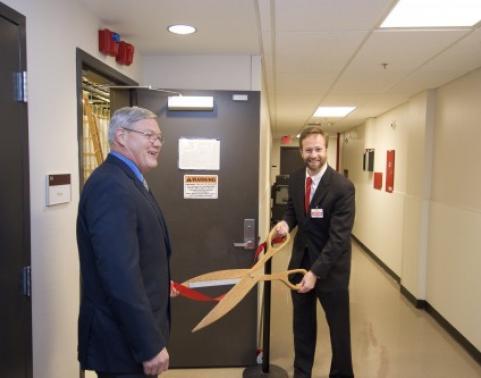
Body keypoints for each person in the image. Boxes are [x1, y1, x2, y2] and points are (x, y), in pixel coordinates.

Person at [76, 106, 177, 378]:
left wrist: (160, 282)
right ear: (121, 136)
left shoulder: (130, 180)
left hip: (128, 335)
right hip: (121, 342)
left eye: (159, 137)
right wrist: (149, 346)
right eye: (149, 135)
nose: (156, 143)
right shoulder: (111, 186)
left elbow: (136, 253)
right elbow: (119, 274)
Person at [274, 126, 355, 378]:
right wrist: (286, 224)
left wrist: (315, 273)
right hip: (299, 265)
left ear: (326, 150)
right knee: (302, 326)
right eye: (308, 150)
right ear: (301, 152)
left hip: (331, 271)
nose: (314, 154)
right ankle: (302, 372)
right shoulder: (297, 179)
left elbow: (338, 239)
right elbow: (293, 210)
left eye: (318, 149)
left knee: (339, 331)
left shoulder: (342, 187)